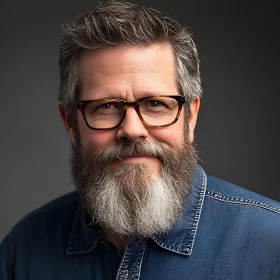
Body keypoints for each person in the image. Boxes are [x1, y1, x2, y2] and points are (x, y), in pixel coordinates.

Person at [1, 1, 280, 279]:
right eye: (107, 106)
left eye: (155, 104)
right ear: (69, 123)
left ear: (191, 116)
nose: (132, 130)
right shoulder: (22, 250)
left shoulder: (272, 243)